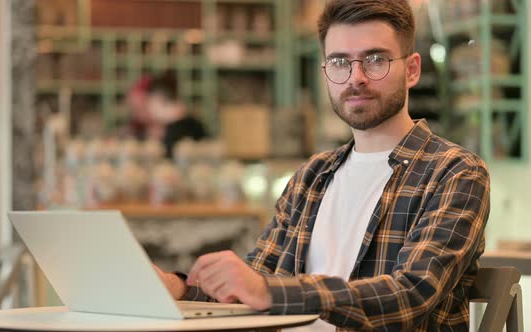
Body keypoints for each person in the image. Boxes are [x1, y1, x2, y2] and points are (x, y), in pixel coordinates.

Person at [154, 0, 490, 330]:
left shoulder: (454, 172)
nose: (355, 77)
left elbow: (411, 295)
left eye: (375, 60)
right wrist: (178, 289)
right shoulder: (312, 176)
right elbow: (252, 290)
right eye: (340, 62)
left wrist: (266, 290)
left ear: (412, 69)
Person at [146, 72, 208, 158]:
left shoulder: (177, 129)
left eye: (149, 101)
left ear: (160, 99)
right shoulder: (188, 122)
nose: (147, 107)